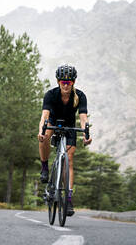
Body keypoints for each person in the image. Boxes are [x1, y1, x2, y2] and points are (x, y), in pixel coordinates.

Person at [37, 64, 92, 216]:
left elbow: (83, 118)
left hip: (69, 126)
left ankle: (68, 198)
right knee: (44, 137)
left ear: (73, 82)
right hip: (53, 122)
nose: (66, 85)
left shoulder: (80, 96)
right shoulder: (50, 94)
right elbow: (44, 116)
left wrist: (86, 134)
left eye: (69, 82)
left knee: (70, 158)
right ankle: (45, 168)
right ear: (58, 82)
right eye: (63, 82)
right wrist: (41, 130)